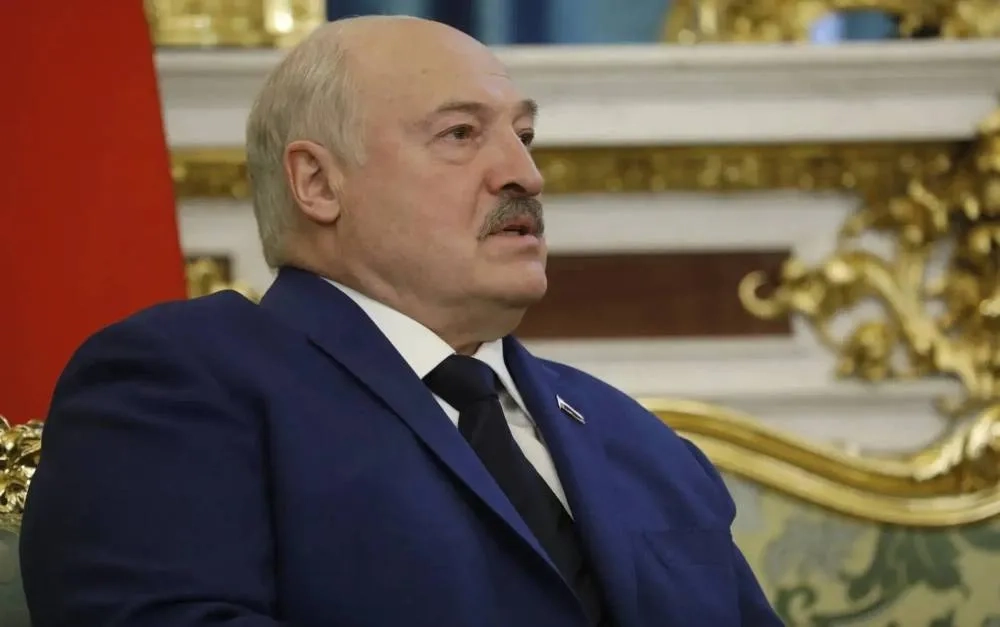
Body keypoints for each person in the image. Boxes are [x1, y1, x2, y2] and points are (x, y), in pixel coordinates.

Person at [19, 15, 782, 627]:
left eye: (524, 135)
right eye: (461, 134)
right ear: (318, 183)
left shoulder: (637, 439)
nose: (524, 173)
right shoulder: (181, 385)